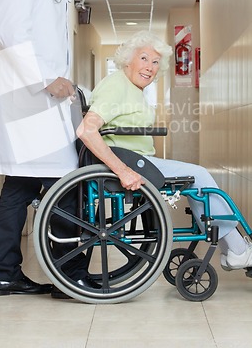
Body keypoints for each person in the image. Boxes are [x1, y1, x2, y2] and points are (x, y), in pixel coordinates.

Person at [0, 0, 97, 298]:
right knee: (65, 183)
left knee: (21, 186)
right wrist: (48, 79)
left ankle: (5, 273)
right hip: (29, 98)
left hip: (39, 101)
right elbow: (11, 30)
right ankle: (69, 276)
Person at [76, 30, 252, 271]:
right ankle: (238, 251)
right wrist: (123, 171)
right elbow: (86, 130)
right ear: (129, 59)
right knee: (200, 177)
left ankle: (233, 248)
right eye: (144, 58)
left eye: (156, 62)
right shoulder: (117, 85)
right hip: (131, 163)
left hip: (138, 160)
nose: (150, 67)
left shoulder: (129, 87)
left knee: (196, 180)